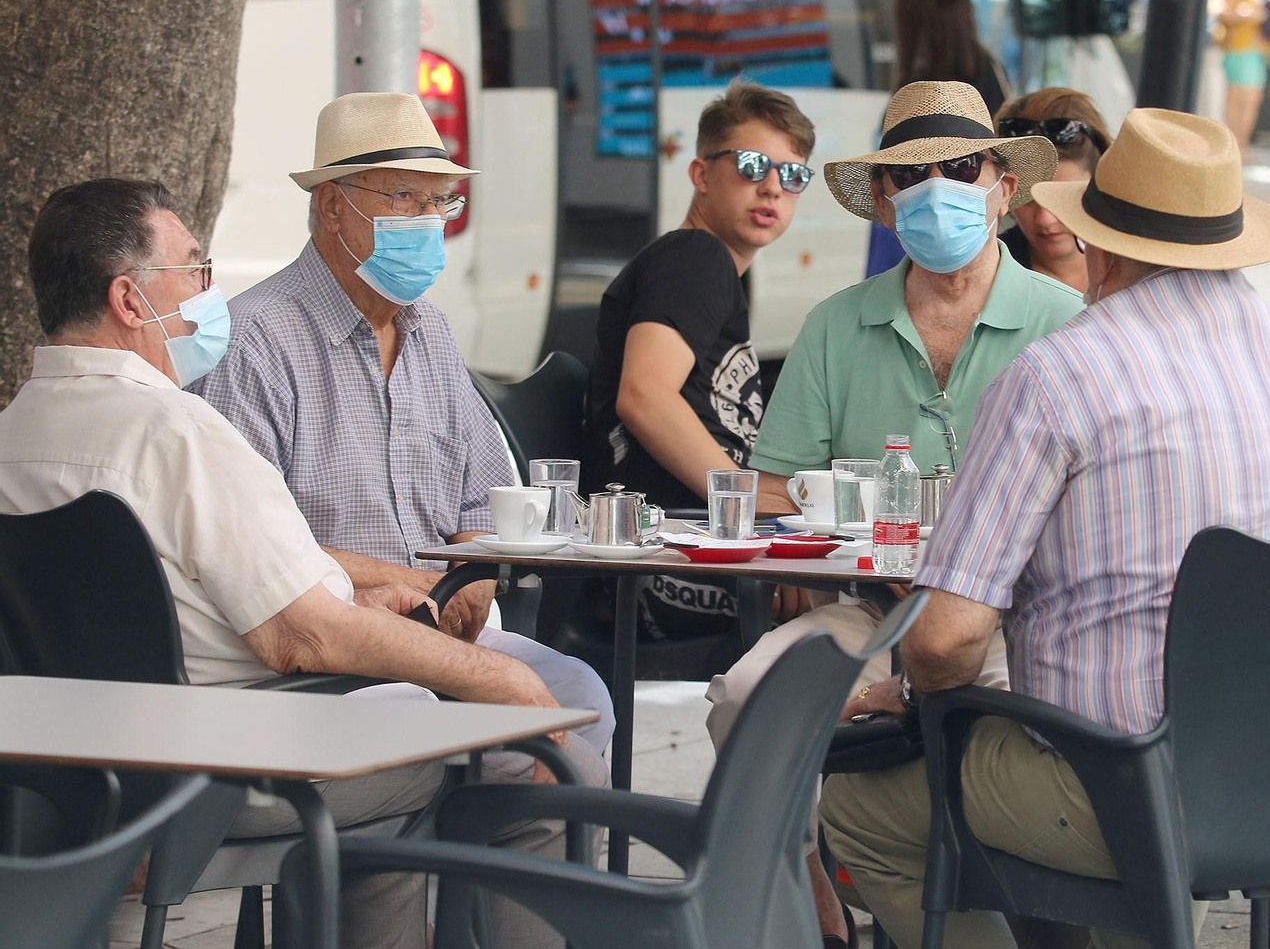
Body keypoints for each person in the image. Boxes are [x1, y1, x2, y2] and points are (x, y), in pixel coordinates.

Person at [0, 178, 606, 949]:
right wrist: (505, 681)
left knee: (402, 743)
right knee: (550, 764)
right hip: (221, 767)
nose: (208, 289)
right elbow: (303, 638)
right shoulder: (178, 433)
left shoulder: (15, 434)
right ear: (128, 299)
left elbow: (171, 596)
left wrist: (353, 598)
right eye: (194, 268)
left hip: (65, 776)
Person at [818, 108, 1270, 949]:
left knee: (861, 809)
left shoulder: (1059, 373)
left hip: (1125, 783)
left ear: (1100, 247)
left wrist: (917, 691)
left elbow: (945, 641)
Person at [708, 79, 1082, 947]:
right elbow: (773, 491)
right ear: (882, 200)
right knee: (747, 696)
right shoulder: (837, 323)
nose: (936, 189)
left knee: (1005, 730)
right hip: (870, 609)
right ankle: (811, 910)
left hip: (1016, 622)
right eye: (911, 176)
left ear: (1003, 187)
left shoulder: (1066, 322)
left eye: (960, 168)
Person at [194, 95, 613, 746]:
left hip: (443, 630)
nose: (429, 222)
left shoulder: (431, 333)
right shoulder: (256, 342)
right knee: (523, 742)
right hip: (334, 641)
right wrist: (423, 584)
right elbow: (250, 548)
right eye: (405, 199)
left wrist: (476, 576)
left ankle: (512, 808)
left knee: (583, 698)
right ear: (332, 206)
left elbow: (482, 498)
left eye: (440, 202)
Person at [582, 78, 815, 643]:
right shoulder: (696, 257)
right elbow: (644, 396)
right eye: (753, 165)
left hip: (676, 555)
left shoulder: (708, 266)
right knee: (884, 593)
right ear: (701, 174)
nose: (773, 187)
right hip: (668, 566)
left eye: (793, 175)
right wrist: (751, 505)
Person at [865, 0, 1011, 278]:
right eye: (909, 171)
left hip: (904, 239)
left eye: (962, 166)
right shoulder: (989, 73)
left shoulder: (907, 92)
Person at [993, 86, 1111, 290]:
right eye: (1027, 198)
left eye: (1062, 197)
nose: (1045, 219)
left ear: (1100, 183)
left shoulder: (1143, 266)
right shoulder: (988, 276)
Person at [1209, 0, 1270, 154]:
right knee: (1238, 98)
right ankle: (1235, 147)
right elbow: (1217, 8)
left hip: (1254, 46)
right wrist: (1248, 14)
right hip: (1237, 45)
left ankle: (1242, 144)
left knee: (1252, 98)